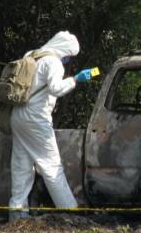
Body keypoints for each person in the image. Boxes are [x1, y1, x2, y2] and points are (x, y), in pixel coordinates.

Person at [8, 31, 93, 221]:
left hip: (17, 115)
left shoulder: (32, 55)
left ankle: (17, 211)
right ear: (64, 50)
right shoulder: (53, 62)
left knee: (21, 165)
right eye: (69, 56)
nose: (68, 60)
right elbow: (56, 88)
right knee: (52, 165)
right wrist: (76, 79)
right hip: (36, 118)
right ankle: (69, 211)